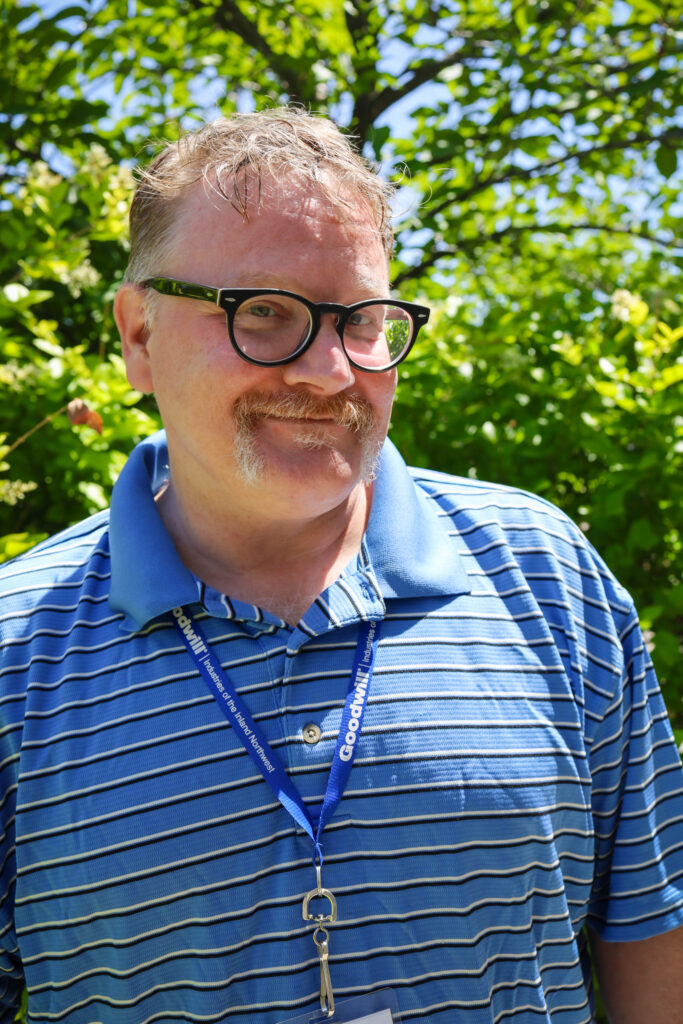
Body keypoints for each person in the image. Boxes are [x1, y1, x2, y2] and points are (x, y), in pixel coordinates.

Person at [0, 108, 681, 1024]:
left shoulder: (545, 576)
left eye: (362, 320)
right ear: (139, 337)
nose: (328, 371)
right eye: (264, 312)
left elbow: (651, 934)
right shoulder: (16, 649)